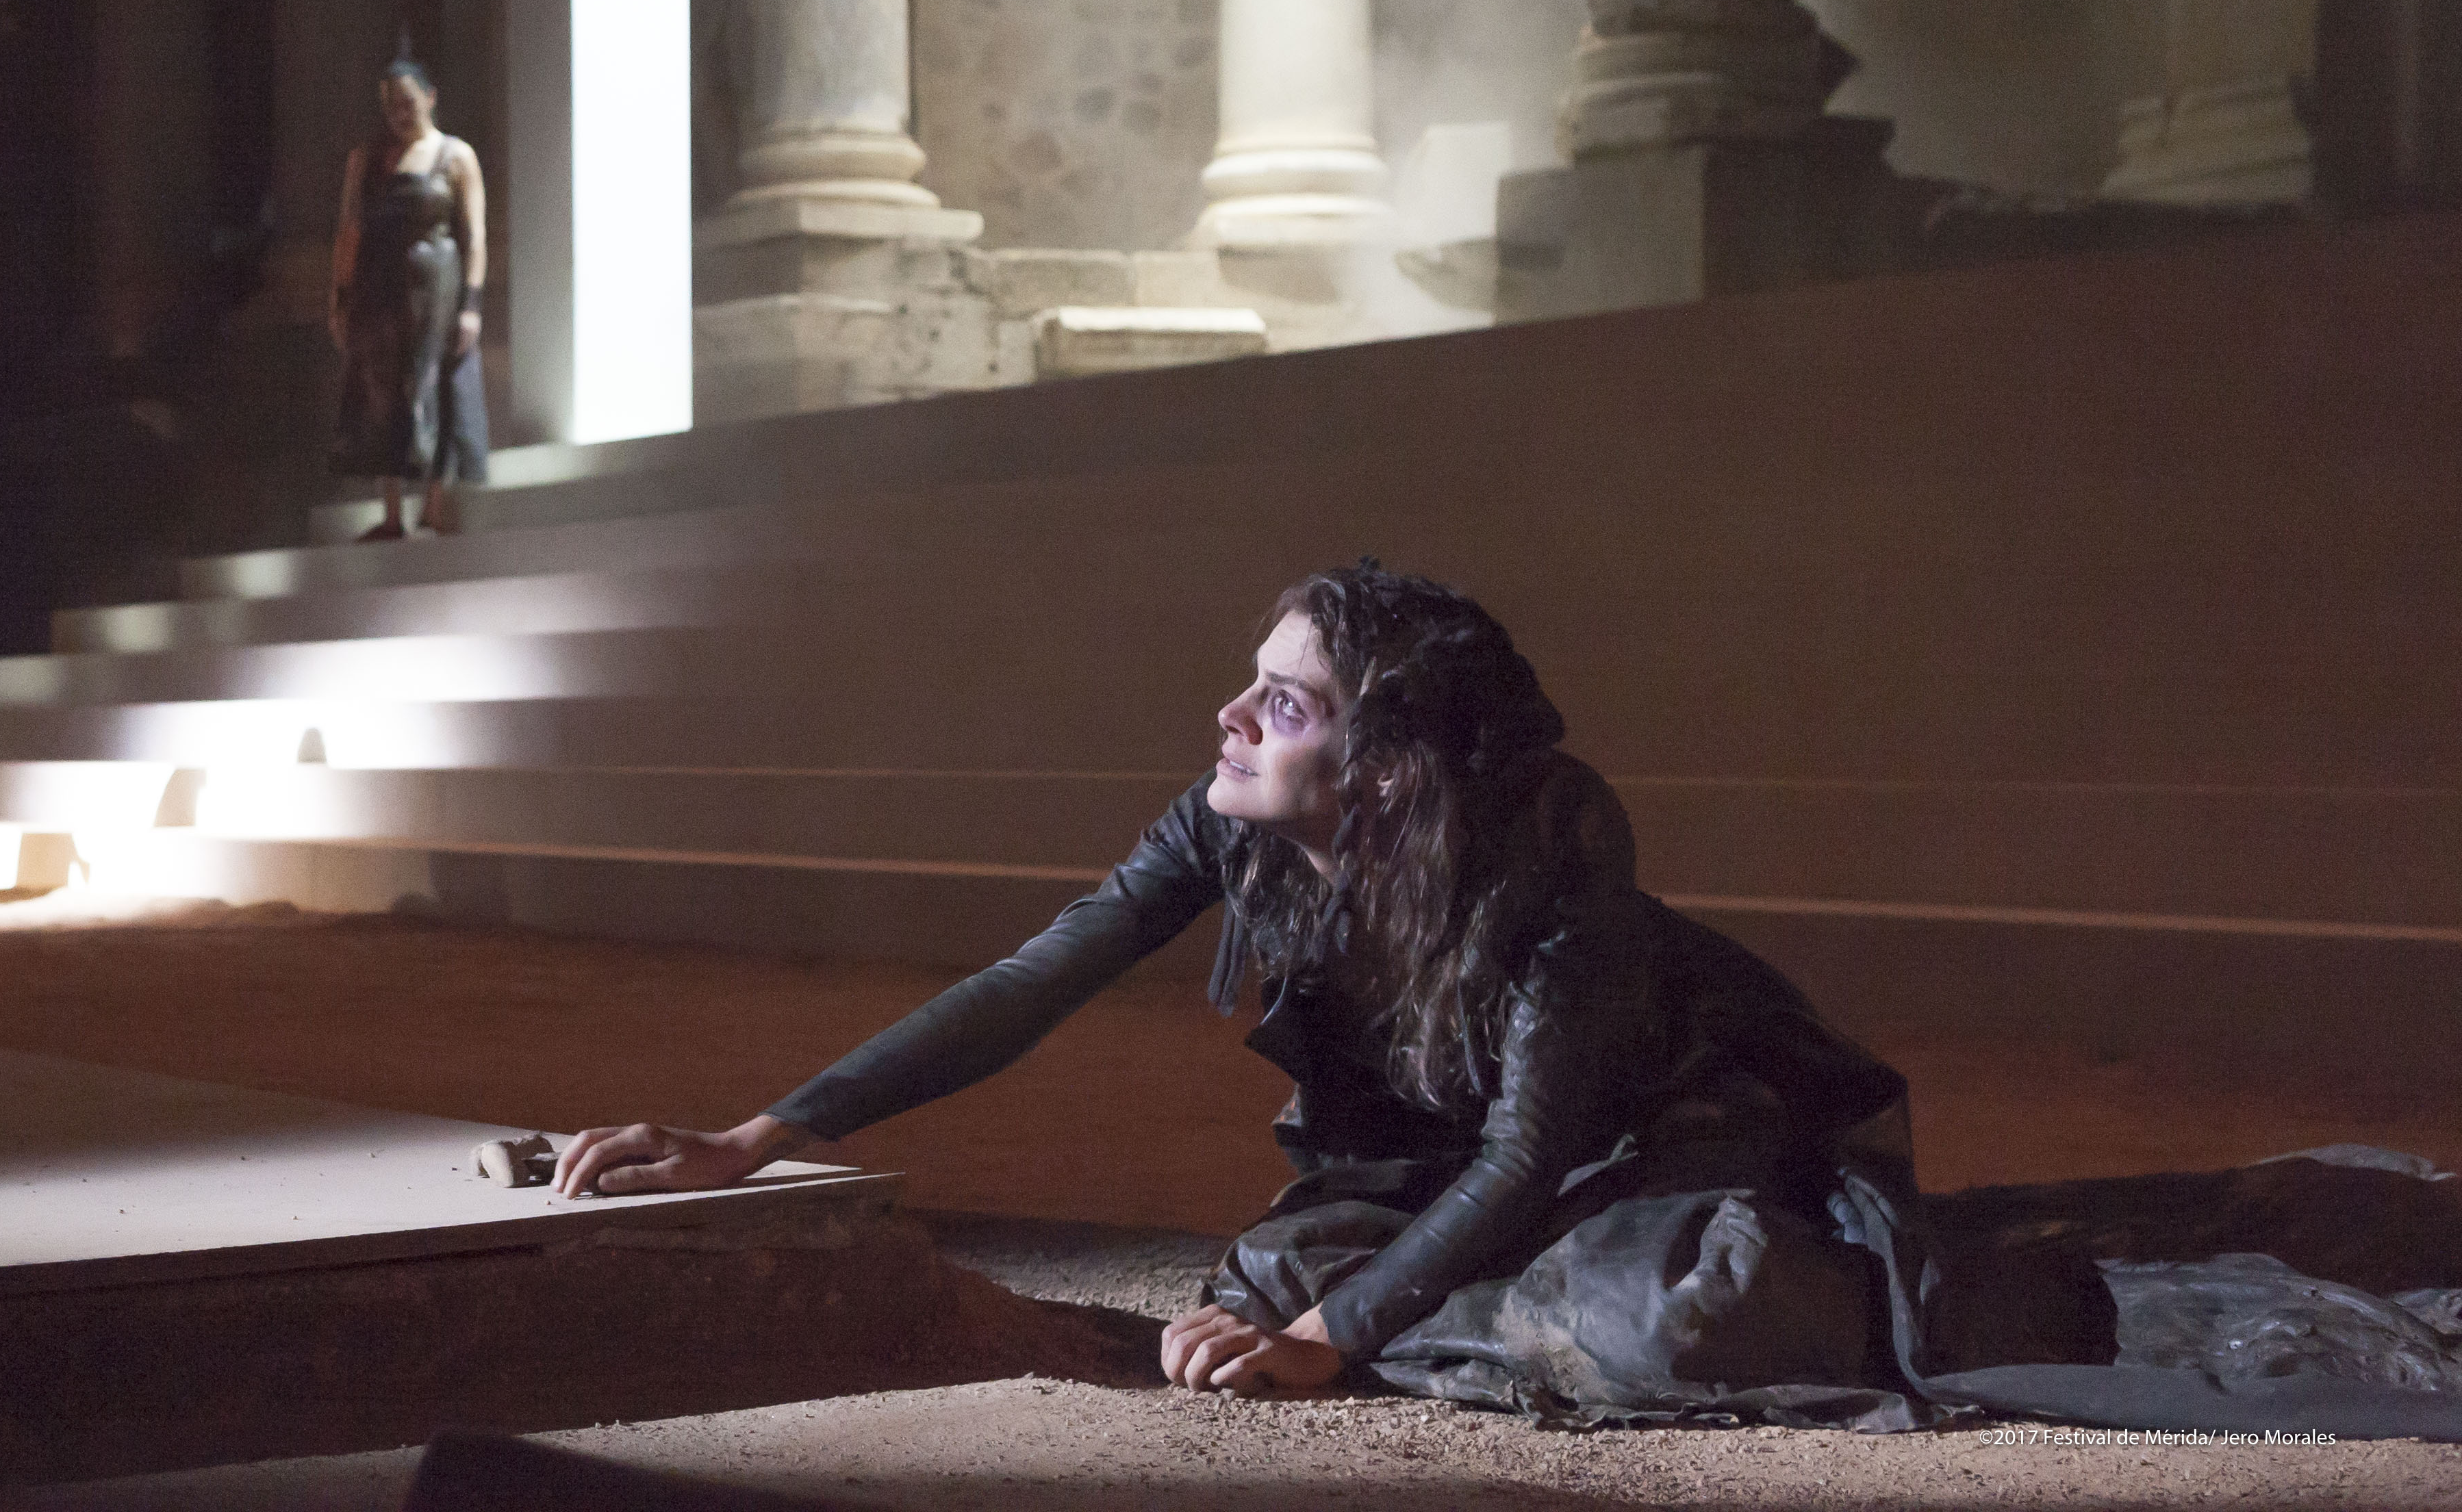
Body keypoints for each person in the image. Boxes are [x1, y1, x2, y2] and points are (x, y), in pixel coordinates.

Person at [552, 561, 2462, 1437]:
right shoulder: (1229, 826)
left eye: (1281, 699)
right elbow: (1032, 976)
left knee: (1659, 1322)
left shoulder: (1557, 875)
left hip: (1677, 1132)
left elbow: (1545, 1142)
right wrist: (759, 1134)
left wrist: (1336, 1341)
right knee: (1271, 1274)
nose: (1228, 716)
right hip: (1457, 1156)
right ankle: (1412, 1306)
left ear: (1384, 758)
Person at [327, 56, 490, 540]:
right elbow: (349, 231)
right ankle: (393, 513)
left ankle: (433, 504)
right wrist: (339, 299)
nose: (399, 113)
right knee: (382, 391)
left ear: (430, 98)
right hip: (380, 289)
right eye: (391, 105)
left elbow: (475, 235)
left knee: (434, 384)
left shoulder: (455, 156)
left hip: (436, 290)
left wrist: (471, 305)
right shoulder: (367, 160)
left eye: (408, 102)